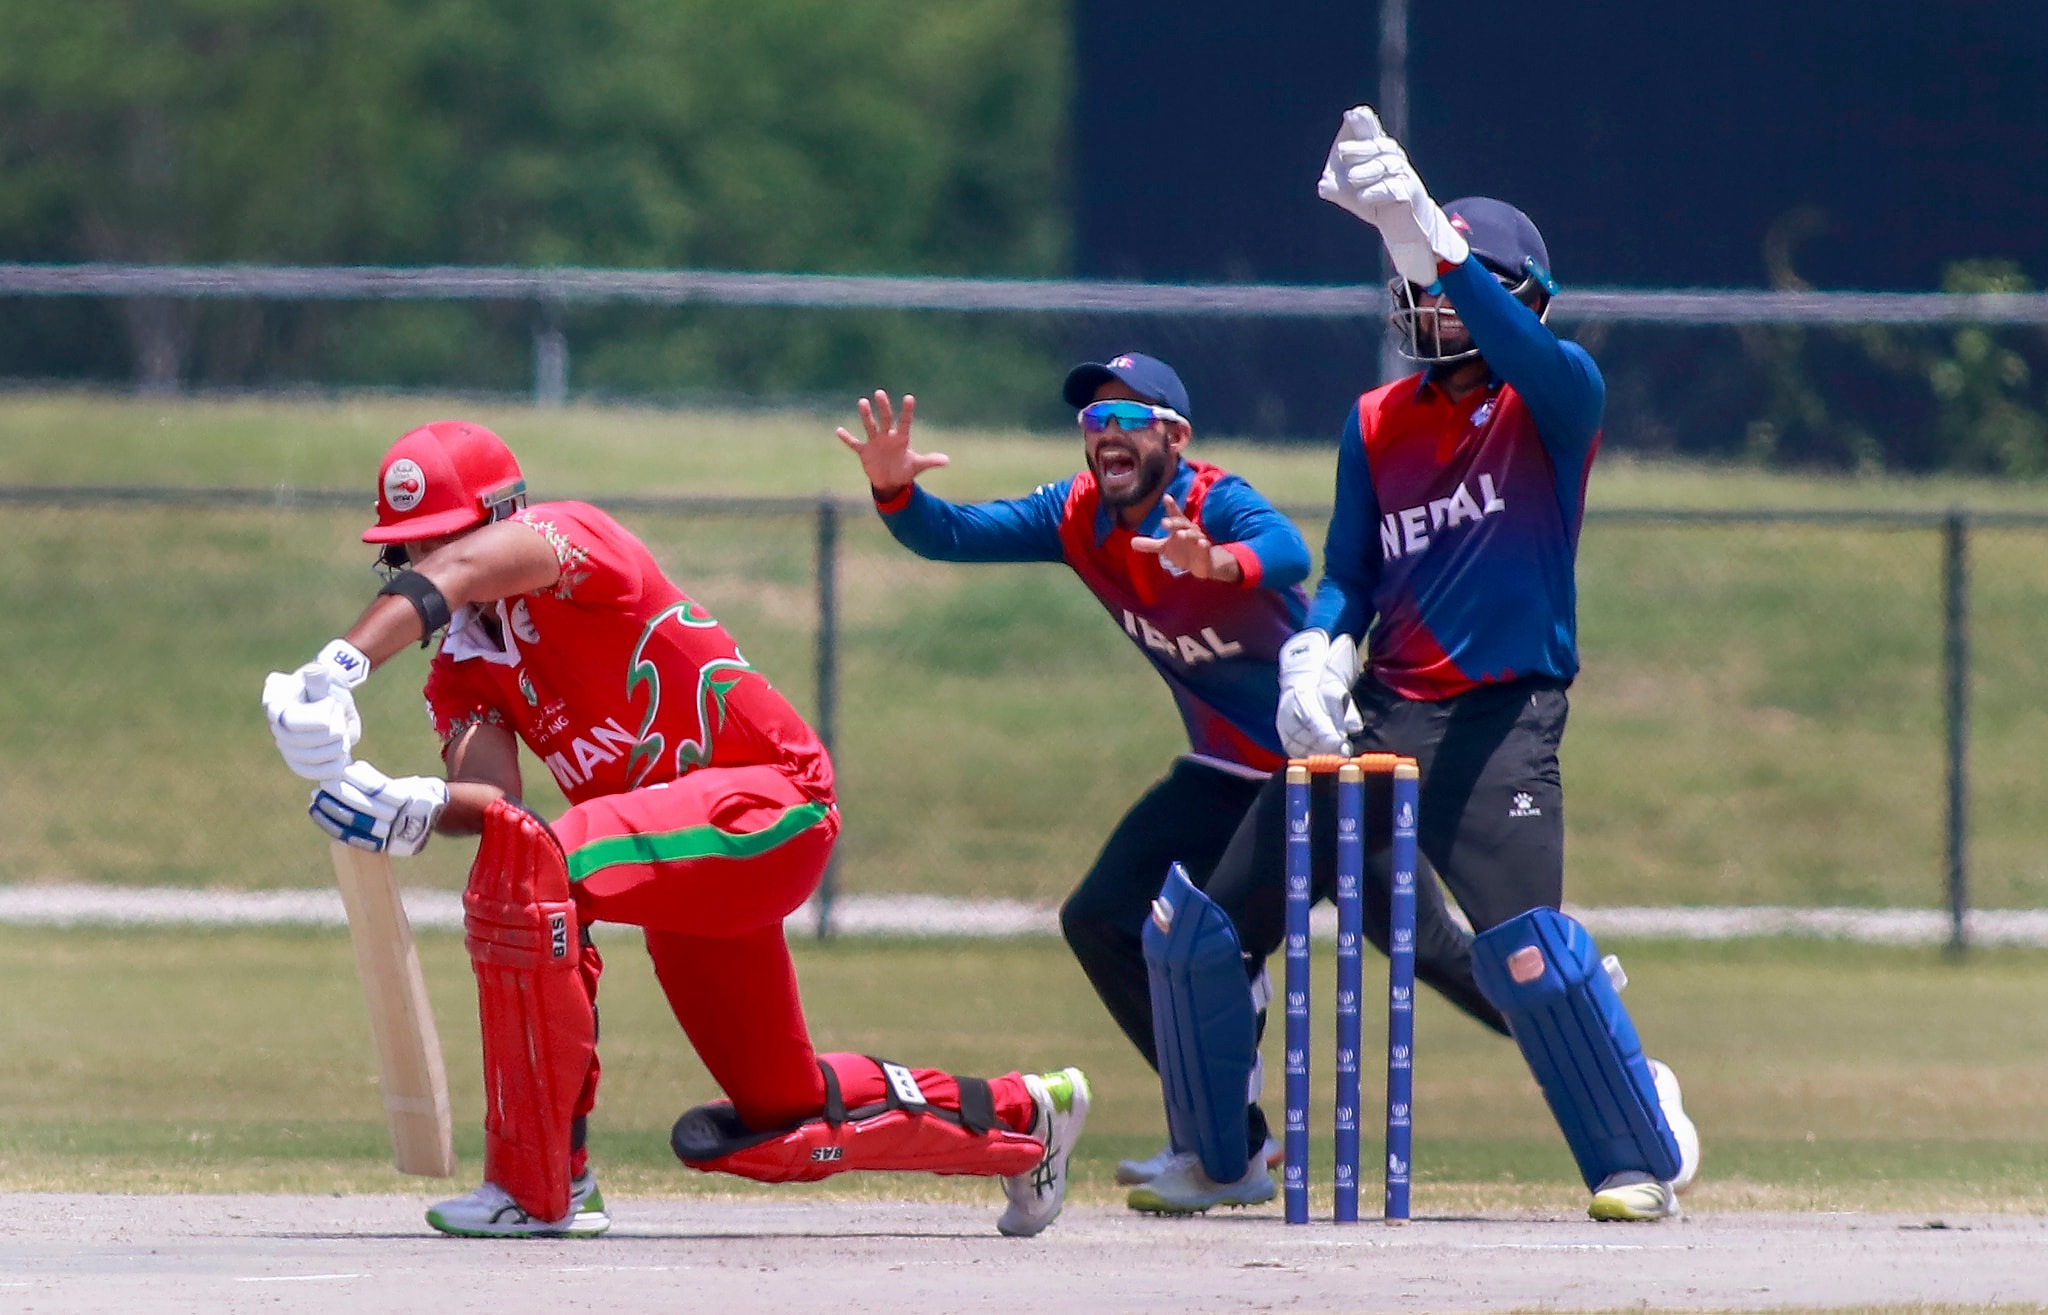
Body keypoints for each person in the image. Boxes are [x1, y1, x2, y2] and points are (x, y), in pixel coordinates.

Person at [260, 420, 1089, 1239]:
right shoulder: (463, 668)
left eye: (437, 542)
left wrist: (337, 666)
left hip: (771, 805)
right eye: (406, 551)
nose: (422, 565)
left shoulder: (573, 542)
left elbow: (469, 570)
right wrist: (407, 804)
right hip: (680, 863)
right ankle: (1026, 1120)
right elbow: (495, 803)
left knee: (545, 870)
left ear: (503, 517)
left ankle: (543, 1184)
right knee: (782, 1114)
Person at [1177, 105, 1702, 1223]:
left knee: (1527, 957)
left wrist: (1440, 243)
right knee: (1205, 930)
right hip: (1382, 713)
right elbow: (1348, 575)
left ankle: (1631, 1155)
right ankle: (1216, 1156)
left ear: (1512, 295)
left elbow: (1521, 348)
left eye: (1437, 283)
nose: (1419, 302)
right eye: (1407, 280)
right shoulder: (1374, 421)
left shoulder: (1555, 396)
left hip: (1500, 720)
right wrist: (1313, 656)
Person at [833, 355, 1507, 1215]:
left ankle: (1600, 1059)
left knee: (1430, 948)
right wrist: (896, 492)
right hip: (1225, 770)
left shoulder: (1214, 499)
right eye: (1094, 422)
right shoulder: (1074, 515)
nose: (1109, 434)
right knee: (1100, 918)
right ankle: (1228, 1135)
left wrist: (1216, 563)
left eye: (1130, 417)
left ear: (1175, 437)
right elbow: (952, 532)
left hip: (1320, 772)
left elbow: (1289, 549)